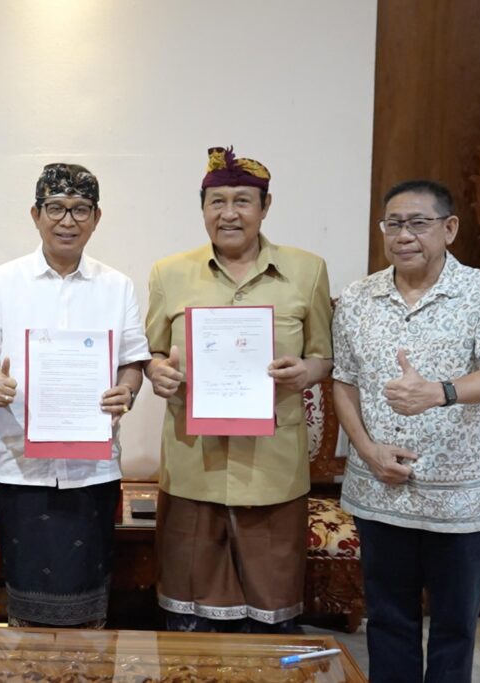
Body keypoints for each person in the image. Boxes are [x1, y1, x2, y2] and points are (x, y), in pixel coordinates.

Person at [145, 146, 332, 633]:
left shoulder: (307, 270)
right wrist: (157, 371)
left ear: (265, 208)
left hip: (272, 465)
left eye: (244, 201)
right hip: (194, 464)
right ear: (202, 208)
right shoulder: (169, 273)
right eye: (217, 201)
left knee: (271, 608)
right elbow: (150, 353)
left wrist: (306, 372)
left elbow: (324, 355)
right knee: (189, 611)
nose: (230, 213)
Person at [0, 162, 150, 628]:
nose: (68, 221)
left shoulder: (117, 286)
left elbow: (133, 362)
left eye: (80, 210)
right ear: (36, 213)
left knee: (88, 594)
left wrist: (125, 392)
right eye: (56, 208)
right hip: (22, 465)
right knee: (26, 595)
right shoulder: (3, 282)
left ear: (97, 216)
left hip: (93, 468)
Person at [332, 180, 480, 683]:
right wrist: (366, 451)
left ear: (449, 228)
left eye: (419, 223)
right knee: (387, 620)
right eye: (394, 224)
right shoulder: (359, 298)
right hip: (380, 489)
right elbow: (344, 382)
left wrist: (440, 392)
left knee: (454, 626)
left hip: (461, 497)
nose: (404, 235)